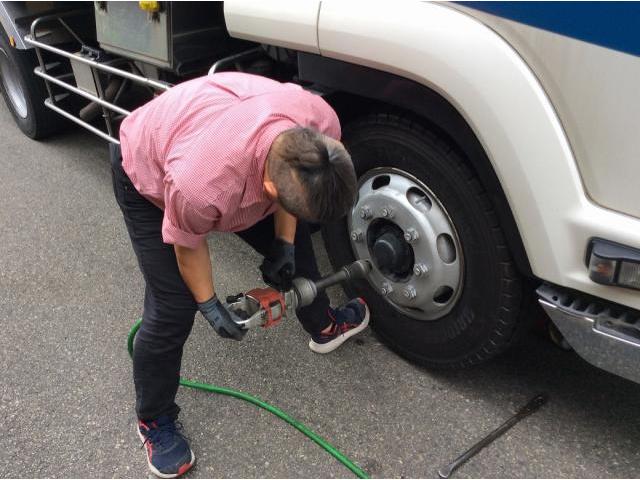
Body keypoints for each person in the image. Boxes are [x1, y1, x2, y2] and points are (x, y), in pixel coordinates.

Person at [110, 72, 370, 478]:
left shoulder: (320, 126)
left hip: (227, 141)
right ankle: (153, 419)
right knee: (174, 307)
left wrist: (284, 242)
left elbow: (293, 179)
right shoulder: (202, 183)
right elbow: (187, 244)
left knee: (297, 250)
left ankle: (323, 325)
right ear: (267, 187)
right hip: (149, 169)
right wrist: (210, 306)